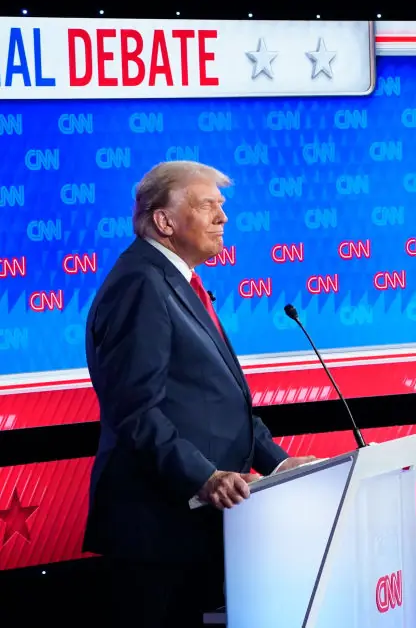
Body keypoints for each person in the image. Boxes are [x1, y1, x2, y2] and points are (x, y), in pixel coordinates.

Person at [83, 161, 318, 628]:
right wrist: (205, 477)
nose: (222, 217)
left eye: (222, 205)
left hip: (190, 528)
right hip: (154, 531)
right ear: (164, 221)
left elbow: (211, 398)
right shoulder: (140, 283)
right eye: (208, 205)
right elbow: (135, 411)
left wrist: (277, 463)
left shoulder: (174, 280)